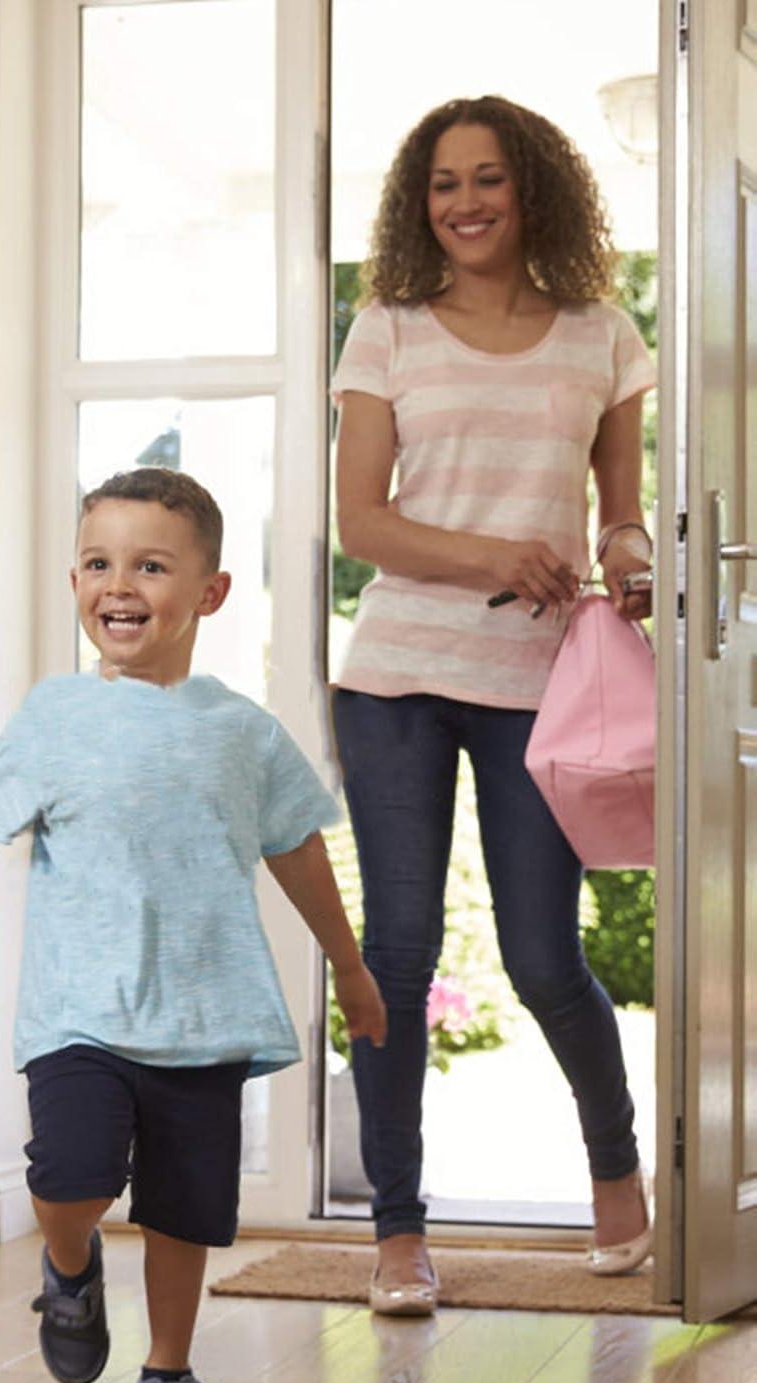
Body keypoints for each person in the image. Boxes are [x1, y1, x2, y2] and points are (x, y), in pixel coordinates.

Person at [0, 467, 385, 1383]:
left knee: (185, 1212)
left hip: (203, 1017)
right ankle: (69, 1266)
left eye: (149, 566)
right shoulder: (57, 716)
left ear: (210, 592)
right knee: (72, 1174)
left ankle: (170, 1371)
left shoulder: (244, 734)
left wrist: (348, 967)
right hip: (81, 1013)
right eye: (97, 563)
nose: (117, 585)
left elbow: (299, 847)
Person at [330, 95, 656, 1316]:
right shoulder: (388, 330)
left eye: (489, 181)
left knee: (542, 957)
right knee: (398, 953)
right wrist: (497, 556)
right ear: (422, 203)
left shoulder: (603, 335)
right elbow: (362, 523)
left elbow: (618, 504)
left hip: (539, 688)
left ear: (535, 194)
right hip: (399, 677)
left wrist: (623, 558)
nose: (464, 204)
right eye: (443, 184)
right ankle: (399, 1236)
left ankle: (618, 1176)